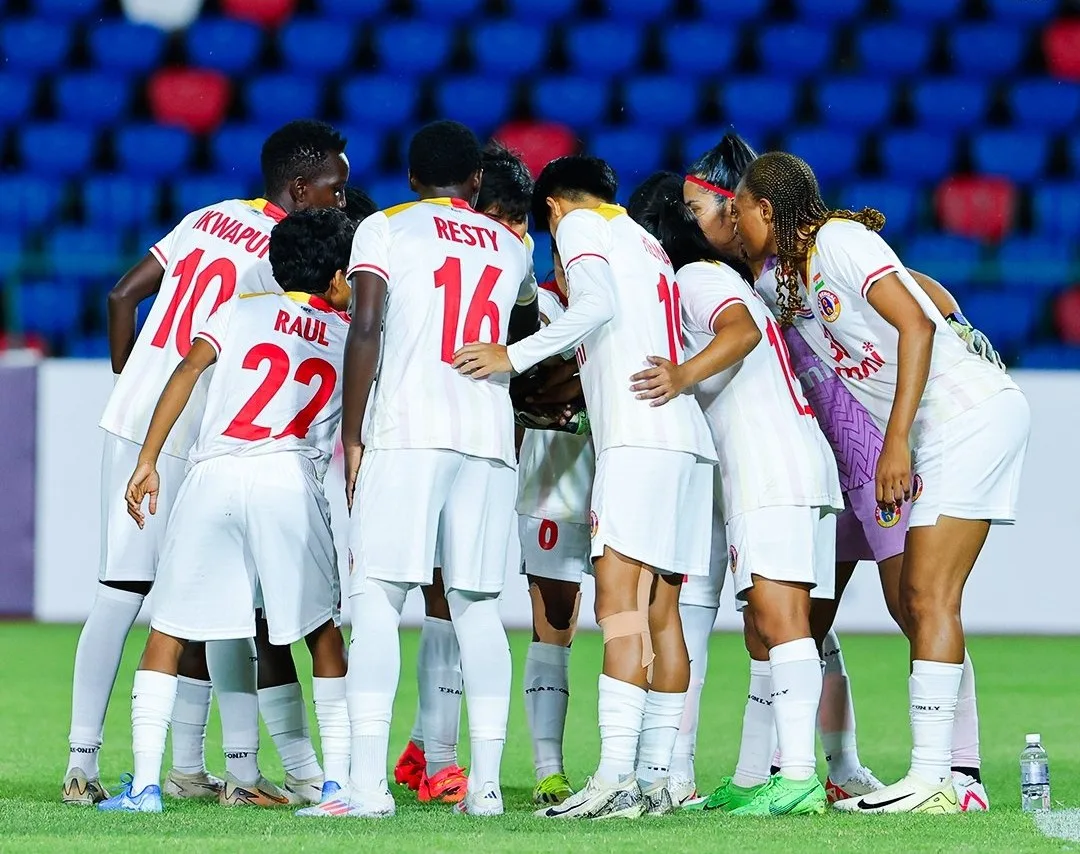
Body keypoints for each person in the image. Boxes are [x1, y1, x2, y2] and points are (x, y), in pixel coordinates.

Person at [731, 152, 1029, 814]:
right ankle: (947, 782)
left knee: (926, 595)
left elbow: (917, 319)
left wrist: (895, 442)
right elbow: (922, 291)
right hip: (936, 430)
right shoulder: (794, 280)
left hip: (963, 415)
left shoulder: (838, 240)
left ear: (767, 210)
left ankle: (943, 779)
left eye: (739, 208)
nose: (734, 220)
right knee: (923, 599)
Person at [65, 119, 350, 807]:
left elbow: (121, 295)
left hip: (143, 417)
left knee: (137, 591)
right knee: (213, 600)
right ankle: (226, 769)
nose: (343, 203)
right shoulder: (279, 260)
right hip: (203, 433)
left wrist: (130, 385)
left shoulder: (211, 215)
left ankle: (111, 761)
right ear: (300, 187)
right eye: (336, 190)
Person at [454, 155, 718, 820]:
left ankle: (611, 780)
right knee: (663, 614)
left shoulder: (578, 226)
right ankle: (657, 779)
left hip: (635, 436)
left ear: (551, 209)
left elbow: (594, 305)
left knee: (622, 608)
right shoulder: (648, 242)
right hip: (685, 444)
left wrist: (512, 357)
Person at [319, 120, 535, 820]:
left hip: (408, 430)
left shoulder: (384, 227)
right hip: (486, 434)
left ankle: (367, 786)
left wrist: (352, 435)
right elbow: (526, 330)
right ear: (477, 181)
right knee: (476, 607)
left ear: (413, 178)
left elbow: (368, 326)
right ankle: (490, 787)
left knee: (378, 599)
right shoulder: (512, 244)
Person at [628, 170, 843, 817]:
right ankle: (754, 778)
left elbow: (739, 334)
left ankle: (799, 777)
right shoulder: (729, 279)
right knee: (763, 629)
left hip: (769, 468)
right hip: (789, 463)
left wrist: (679, 376)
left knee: (780, 623)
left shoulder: (694, 280)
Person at [394, 141, 540, 807]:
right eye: (511, 216)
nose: (518, 233)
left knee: (439, 596)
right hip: (468, 438)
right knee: (451, 597)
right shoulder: (507, 257)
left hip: (420, 434)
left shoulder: (415, 238)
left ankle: (429, 747)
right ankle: (440, 755)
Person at [517, 246, 594, 806]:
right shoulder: (542, 307)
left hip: (620, 476)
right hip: (553, 482)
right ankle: (549, 768)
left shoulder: (621, 304)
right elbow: (537, 383)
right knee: (556, 619)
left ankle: (644, 764)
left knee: (632, 615)